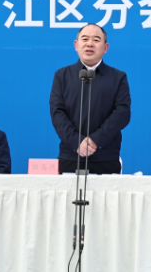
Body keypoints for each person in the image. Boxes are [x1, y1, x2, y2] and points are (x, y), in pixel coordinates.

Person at [49, 23, 132, 174]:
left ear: (105, 47)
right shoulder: (62, 76)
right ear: (76, 45)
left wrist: (95, 141)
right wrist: (77, 142)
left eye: (96, 39)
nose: (89, 44)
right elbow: (57, 113)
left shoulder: (118, 77)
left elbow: (122, 113)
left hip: (106, 158)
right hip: (70, 157)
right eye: (85, 39)